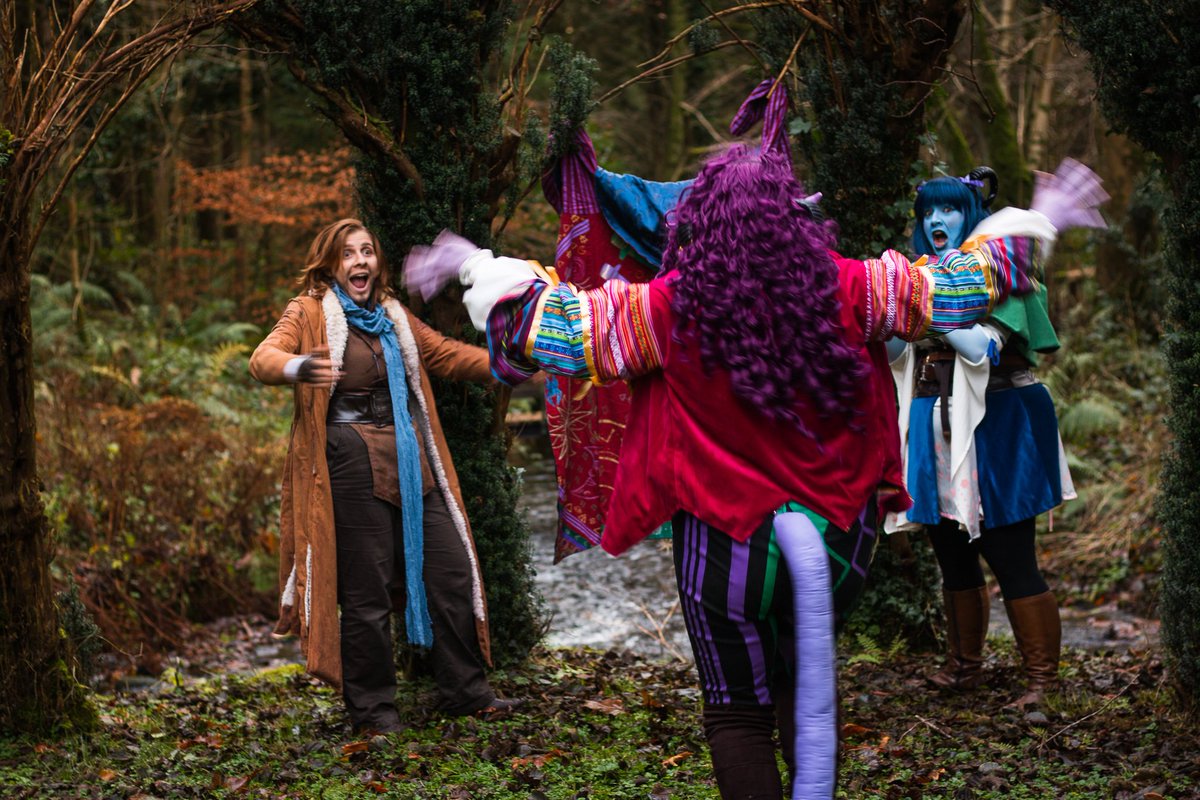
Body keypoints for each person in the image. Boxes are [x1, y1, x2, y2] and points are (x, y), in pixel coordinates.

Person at [405, 147, 1105, 798]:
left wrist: (477, 266)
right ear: (794, 217)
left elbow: (552, 327)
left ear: (699, 224)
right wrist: (1035, 221)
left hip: (725, 544)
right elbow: (955, 285)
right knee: (806, 684)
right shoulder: (856, 287)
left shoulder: (664, 307)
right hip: (835, 539)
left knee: (738, 712)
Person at [249, 218, 519, 735]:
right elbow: (262, 358)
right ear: (331, 264)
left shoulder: (393, 315)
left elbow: (445, 355)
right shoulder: (308, 310)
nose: (360, 261)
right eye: (349, 253)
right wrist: (298, 367)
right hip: (348, 461)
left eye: (367, 251)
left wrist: (511, 365)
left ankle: (466, 692)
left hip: (411, 459)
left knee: (450, 571)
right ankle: (373, 712)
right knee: (366, 590)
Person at [884, 167, 1097, 709]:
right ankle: (964, 667)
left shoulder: (1004, 273)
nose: (937, 219)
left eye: (950, 209)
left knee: (1009, 553)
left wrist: (919, 307)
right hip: (932, 423)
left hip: (997, 424)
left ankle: (1042, 682)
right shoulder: (918, 276)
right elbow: (896, 353)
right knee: (950, 551)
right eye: (928, 211)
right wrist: (885, 310)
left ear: (971, 215)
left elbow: (981, 348)